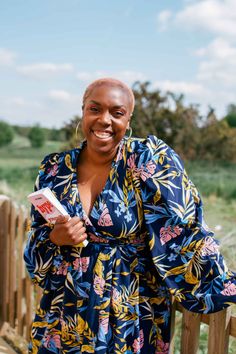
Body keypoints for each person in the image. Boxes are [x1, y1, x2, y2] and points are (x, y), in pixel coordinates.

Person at [24, 78, 236, 354]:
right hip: (64, 314)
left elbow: (184, 229)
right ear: (83, 111)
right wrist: (55, 237)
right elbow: (35, 249)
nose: (104, 120)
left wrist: (222, 283)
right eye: (95, 109)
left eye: (117, 112)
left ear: (129, 118)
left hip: (130, 317)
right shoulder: (54, 171)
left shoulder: (147, 161)